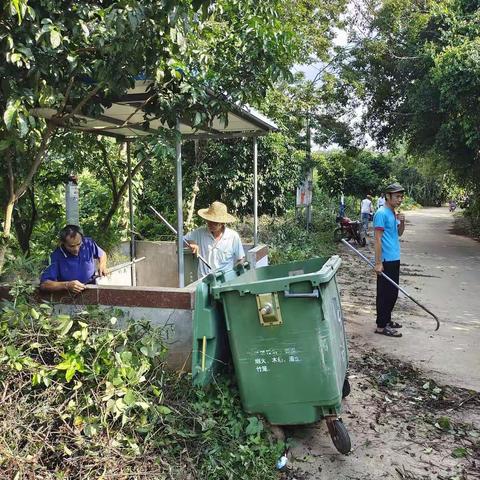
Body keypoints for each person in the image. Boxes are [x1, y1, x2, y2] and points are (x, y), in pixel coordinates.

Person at [373, 183, 405, 337]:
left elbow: (399, 234)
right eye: (397, 196)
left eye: (401, 197)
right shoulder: (381, 213)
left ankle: (387, 320)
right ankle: (381, 326)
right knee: (385, 293)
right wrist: (378, 262)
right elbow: (377, 240)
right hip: (386, 260)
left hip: (394, 257)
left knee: (393, 292)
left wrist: (402, 221)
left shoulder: (393, 212)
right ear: (388, 196)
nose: (400, 199)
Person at [40, 225, 107, 293]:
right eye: (71, 246)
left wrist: (102, 265)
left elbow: (102, 254)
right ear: (62, 243)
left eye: (78, 244)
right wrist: (67, 285)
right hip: (69, 296)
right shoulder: (55, 256)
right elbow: (44, 284)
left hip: (91, 288)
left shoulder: (88, 243)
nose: (76, 249)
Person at [185, 201, 245, 278]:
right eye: (209, 221)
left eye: (215, 222)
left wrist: (235, 272)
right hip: (204, 280)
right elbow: (183, 239)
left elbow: (241, 259)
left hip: (225, 281)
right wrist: (192, 243)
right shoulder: (200, 232)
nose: (210, 224)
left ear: (223, 223)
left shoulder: (233, 236)